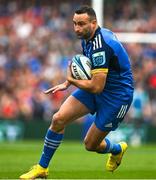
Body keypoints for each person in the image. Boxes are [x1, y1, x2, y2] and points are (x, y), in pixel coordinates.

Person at [20, 5, 134, 179]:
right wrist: (67, 83)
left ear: (94, 23)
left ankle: (117, 149)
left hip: (117, 97)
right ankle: (42, 168)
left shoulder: (100, 45)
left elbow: (97, 87)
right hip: (98, 85)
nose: (77, 28)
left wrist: (72, 81)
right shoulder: (88, 37)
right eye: (74, 24)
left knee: (90, 144)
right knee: (58, 119)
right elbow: (90, 69)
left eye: (81, 24)